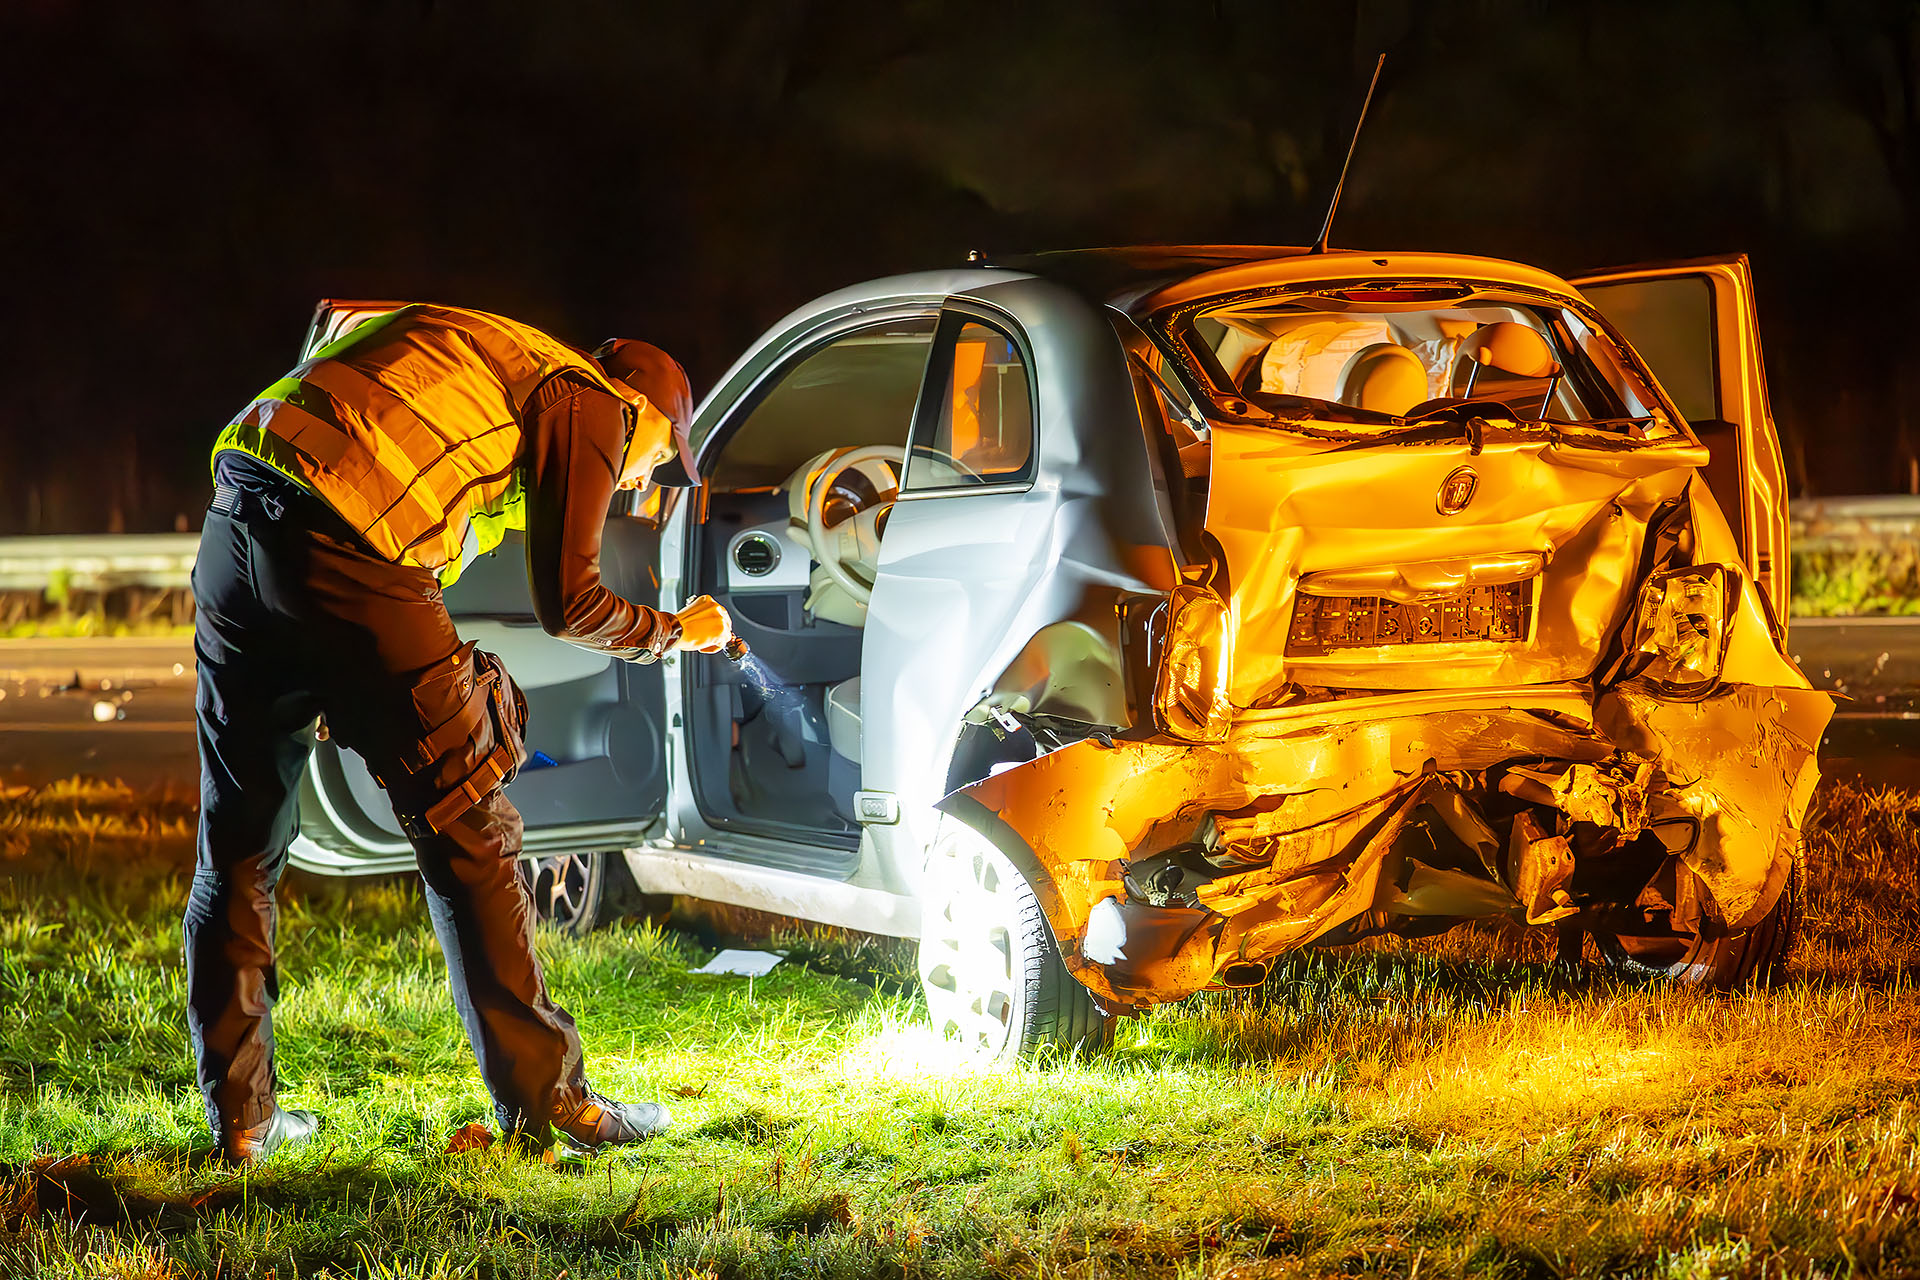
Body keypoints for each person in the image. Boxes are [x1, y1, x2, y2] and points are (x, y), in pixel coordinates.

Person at [185, 303, 731, 1163]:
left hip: (235, 524)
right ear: (643, 409)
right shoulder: (590, 402)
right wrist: (675, 630)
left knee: (240, 844)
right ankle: (552, 1106)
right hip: (348, 545)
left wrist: (326, 652)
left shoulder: (482, 351)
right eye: (661, 459)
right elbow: (572, 603)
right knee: (472, 829)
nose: (641, 483)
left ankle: (244, 1125)